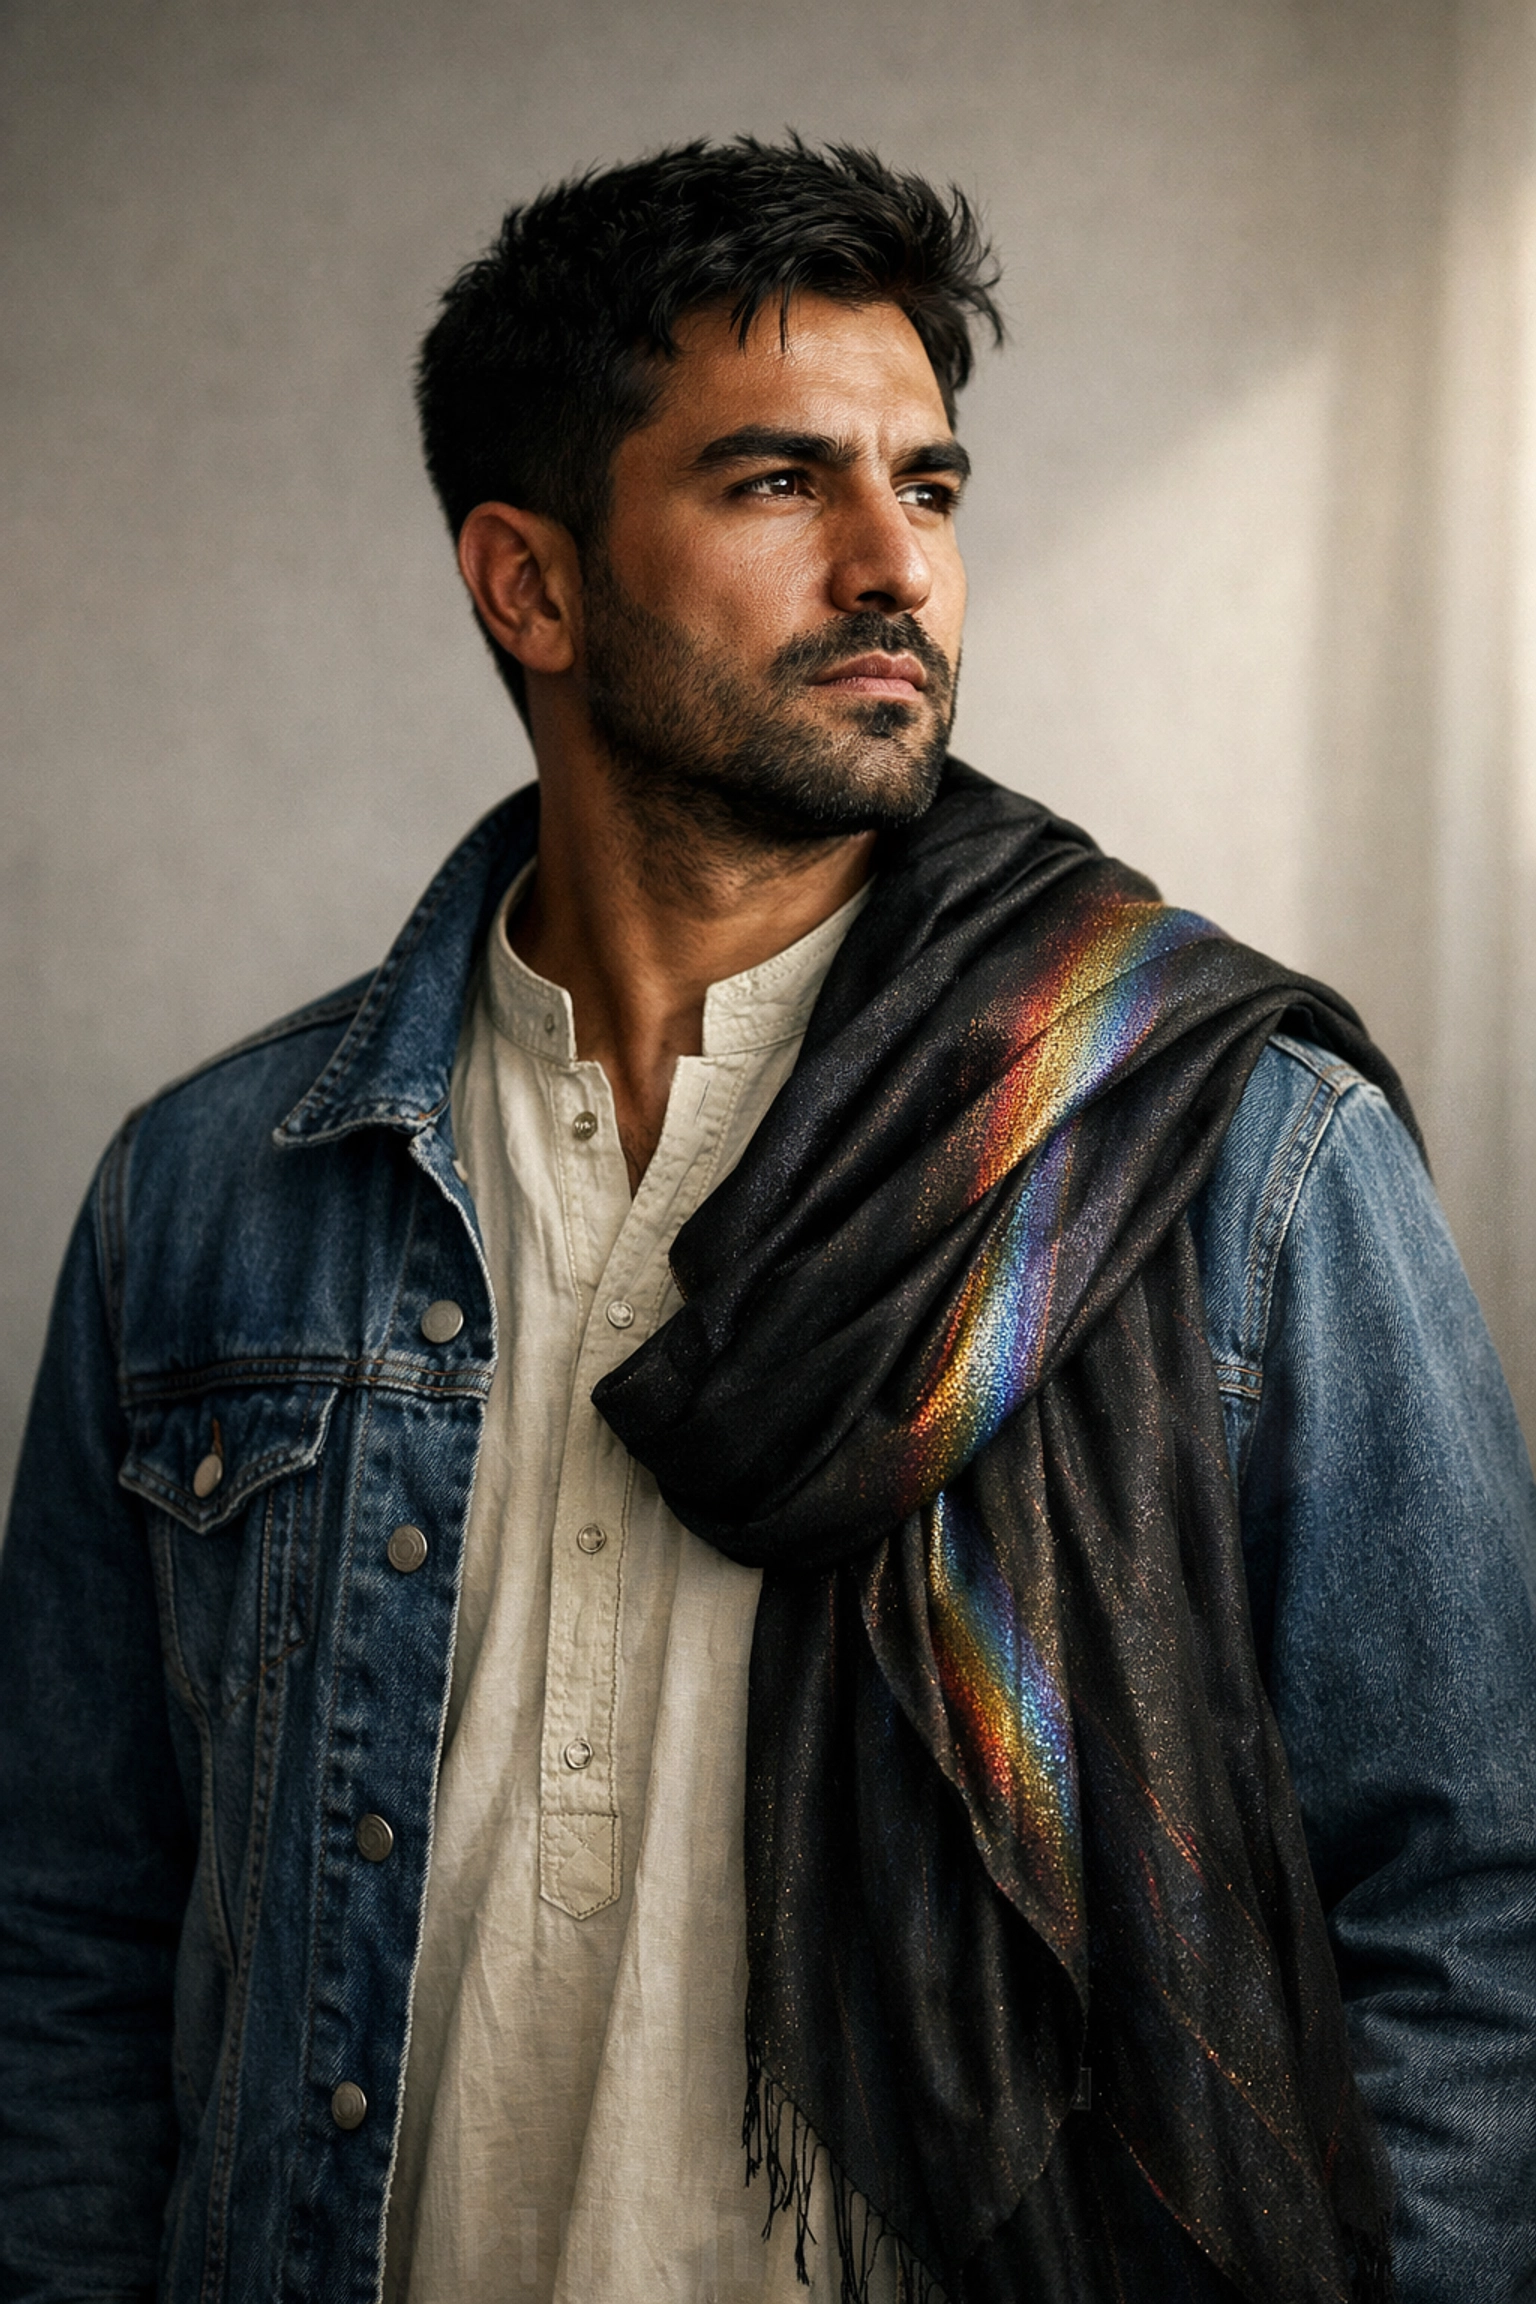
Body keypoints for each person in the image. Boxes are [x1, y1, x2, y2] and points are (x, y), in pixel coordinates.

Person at [0, 137, 1532, 2304]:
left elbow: (1467, 1922)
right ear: (528, 585)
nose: (895, 565)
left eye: (932, 485)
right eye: (777, 484)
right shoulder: (213, 1206)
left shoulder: (1223, 1156)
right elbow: (66, 1940)